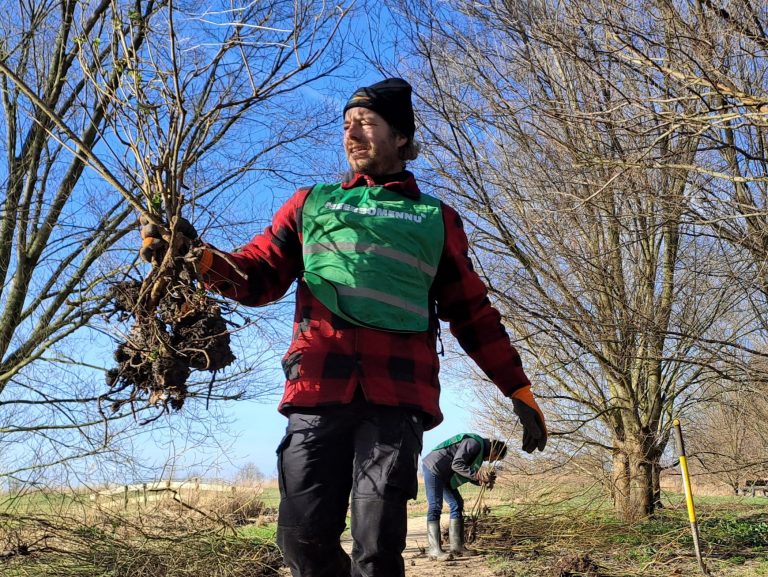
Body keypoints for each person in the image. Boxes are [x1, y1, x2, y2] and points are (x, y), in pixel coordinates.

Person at [139, 78, 547, 577]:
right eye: (346, 125)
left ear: (401, 137)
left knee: (376, 549)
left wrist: (517, 389)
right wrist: (197, 258)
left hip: (395, 400)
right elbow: (257, 276)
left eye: (366, 124)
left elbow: (473, 313)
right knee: (301, 539)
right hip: (316, 388)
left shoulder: (434, 219)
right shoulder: (312, 204)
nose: (351, 135)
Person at [421, 434, 507, 560]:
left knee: (457, 504)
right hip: (434, 468)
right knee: (435, 506)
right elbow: (457, 465)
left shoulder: (479, 450)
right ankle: (434, 550)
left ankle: (457, 547)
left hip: (446, 474)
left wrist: (482, 481)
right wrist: (478, 475)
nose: (491, 461)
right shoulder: (474, 443)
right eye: (495, 458)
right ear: (494, 450)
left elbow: (467, 471)